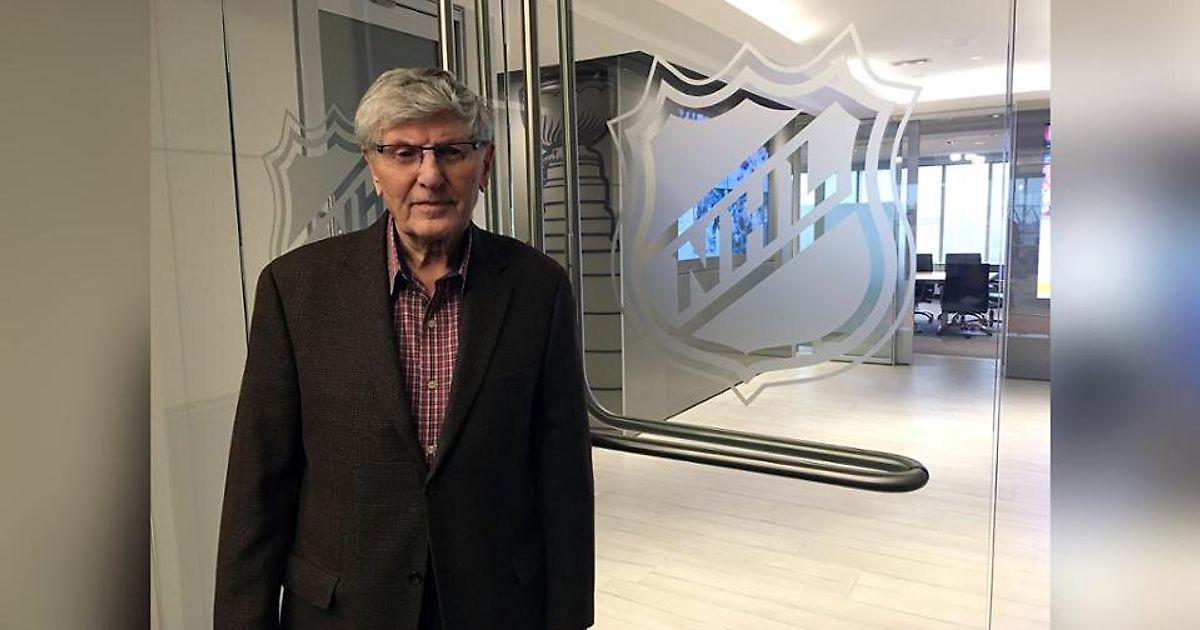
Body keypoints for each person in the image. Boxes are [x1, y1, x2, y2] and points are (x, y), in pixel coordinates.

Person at [214, 67, 594, 630]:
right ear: (373, 167)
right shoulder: (296, 289)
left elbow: (562, 472)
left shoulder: (537, 288)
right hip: (344, 611)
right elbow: (258, 481)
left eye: (452, 151)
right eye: (403, 153)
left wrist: (569, 616)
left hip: (494, 604)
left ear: (485, 164)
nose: (429, 176)